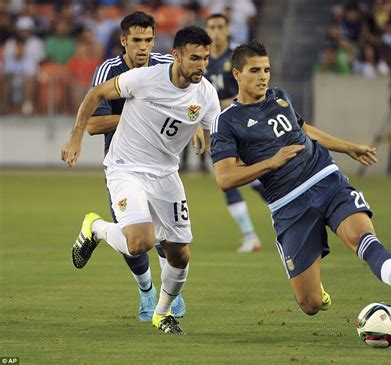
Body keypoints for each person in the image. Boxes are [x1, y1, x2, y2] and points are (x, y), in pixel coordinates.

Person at [211, 41, 391, 317]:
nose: (263, 76)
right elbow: (224, 177)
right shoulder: (227, 122)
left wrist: (348, 146)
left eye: (266, 69)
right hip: (289, 206)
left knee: (361, 236)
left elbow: (305, 131)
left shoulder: (279, 96)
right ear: (237, 75)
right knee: (310, 303)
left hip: (325, 179)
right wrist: (271, 162)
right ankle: (317, 291)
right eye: (255, 70)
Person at [61, 25, 221, 334]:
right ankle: (96, 228)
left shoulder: (207, 93)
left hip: (166, 174)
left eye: (205, 58)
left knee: (179, 253)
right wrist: (75, 138)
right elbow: (96, 95)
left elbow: (218, 129)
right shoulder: (143, 78)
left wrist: (206, 132)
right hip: (126, 167)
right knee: (140, 242)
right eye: (195, 59)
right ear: (177, 56)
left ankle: (162, 314)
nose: (201, 65)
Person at [82, 12, 186, 322]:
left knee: (170, 239)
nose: (143, 47)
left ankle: (170, 296)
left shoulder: (166, 67)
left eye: (149, 40)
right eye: (136, 40)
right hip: (124, 166)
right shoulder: (109, 71)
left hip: (161, 165)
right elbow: (94, 124)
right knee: (136, 242)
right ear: (123, 41)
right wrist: (138, 116)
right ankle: (146, 292)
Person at [205, 13, 263, 253]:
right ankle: (249, 236)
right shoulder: (203, 61)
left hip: (243, 129)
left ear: (228, 30)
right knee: (227, 183)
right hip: (218, 133)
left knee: (260, 180)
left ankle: (294, 217)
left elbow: (249, 93)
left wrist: (216, 105)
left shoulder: (236, 58)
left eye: (220, 27)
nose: (216, 31)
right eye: (211, 27)